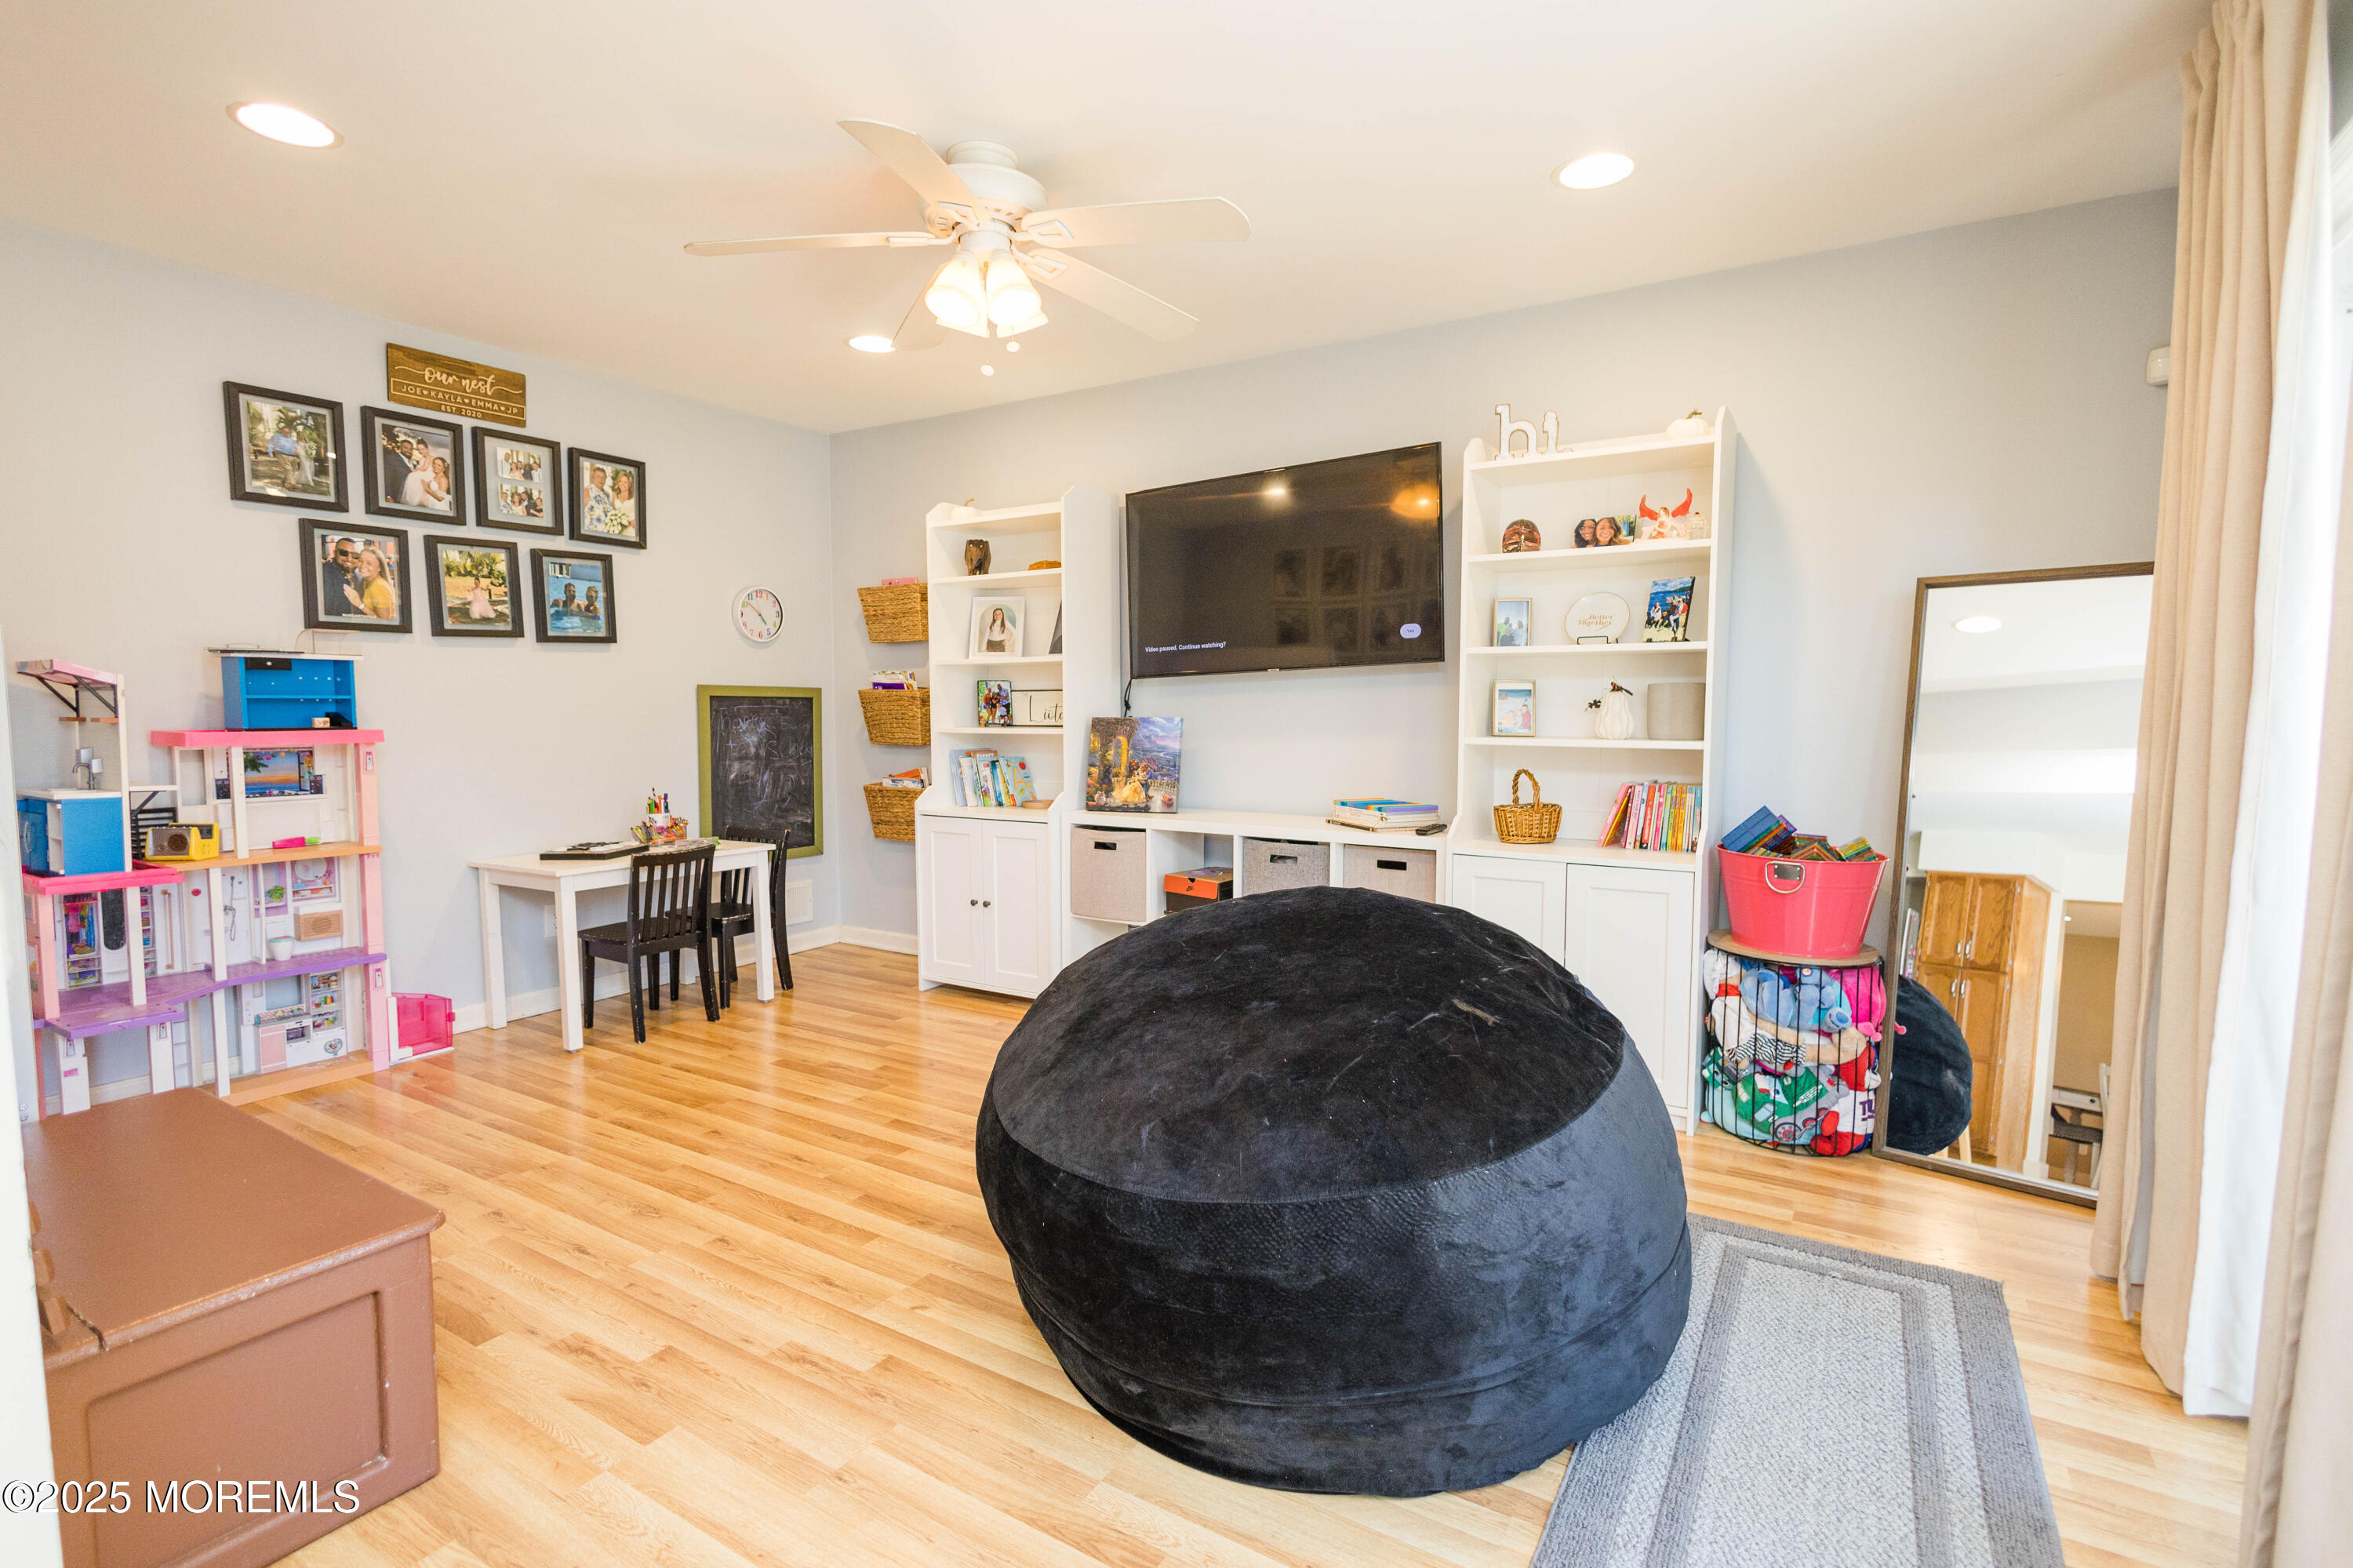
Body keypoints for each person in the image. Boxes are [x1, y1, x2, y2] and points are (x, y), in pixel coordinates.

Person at [344, 546, 397, 620]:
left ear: (380, 568)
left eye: (369, 563)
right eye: (361, 560)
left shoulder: (379, 586)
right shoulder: (367, 579)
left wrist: (360, 604)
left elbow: (385, 621)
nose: (362, 566)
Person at [580, 464, 612, 534]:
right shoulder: (587, 491)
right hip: (590, 533)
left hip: (606, 534)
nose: (601, 480)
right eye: (598, 477)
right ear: (593, 478)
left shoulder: (607, 495)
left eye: (603, 478)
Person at [607, 469, 638, 537]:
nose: (622, 484)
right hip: (618, 530)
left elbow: (639, 514)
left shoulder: (635, 496)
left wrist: (631, 524)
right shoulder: (615, 495)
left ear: (629, 484)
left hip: (632, 528)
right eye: (620, 481)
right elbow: (613, 511)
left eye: (625, 482)